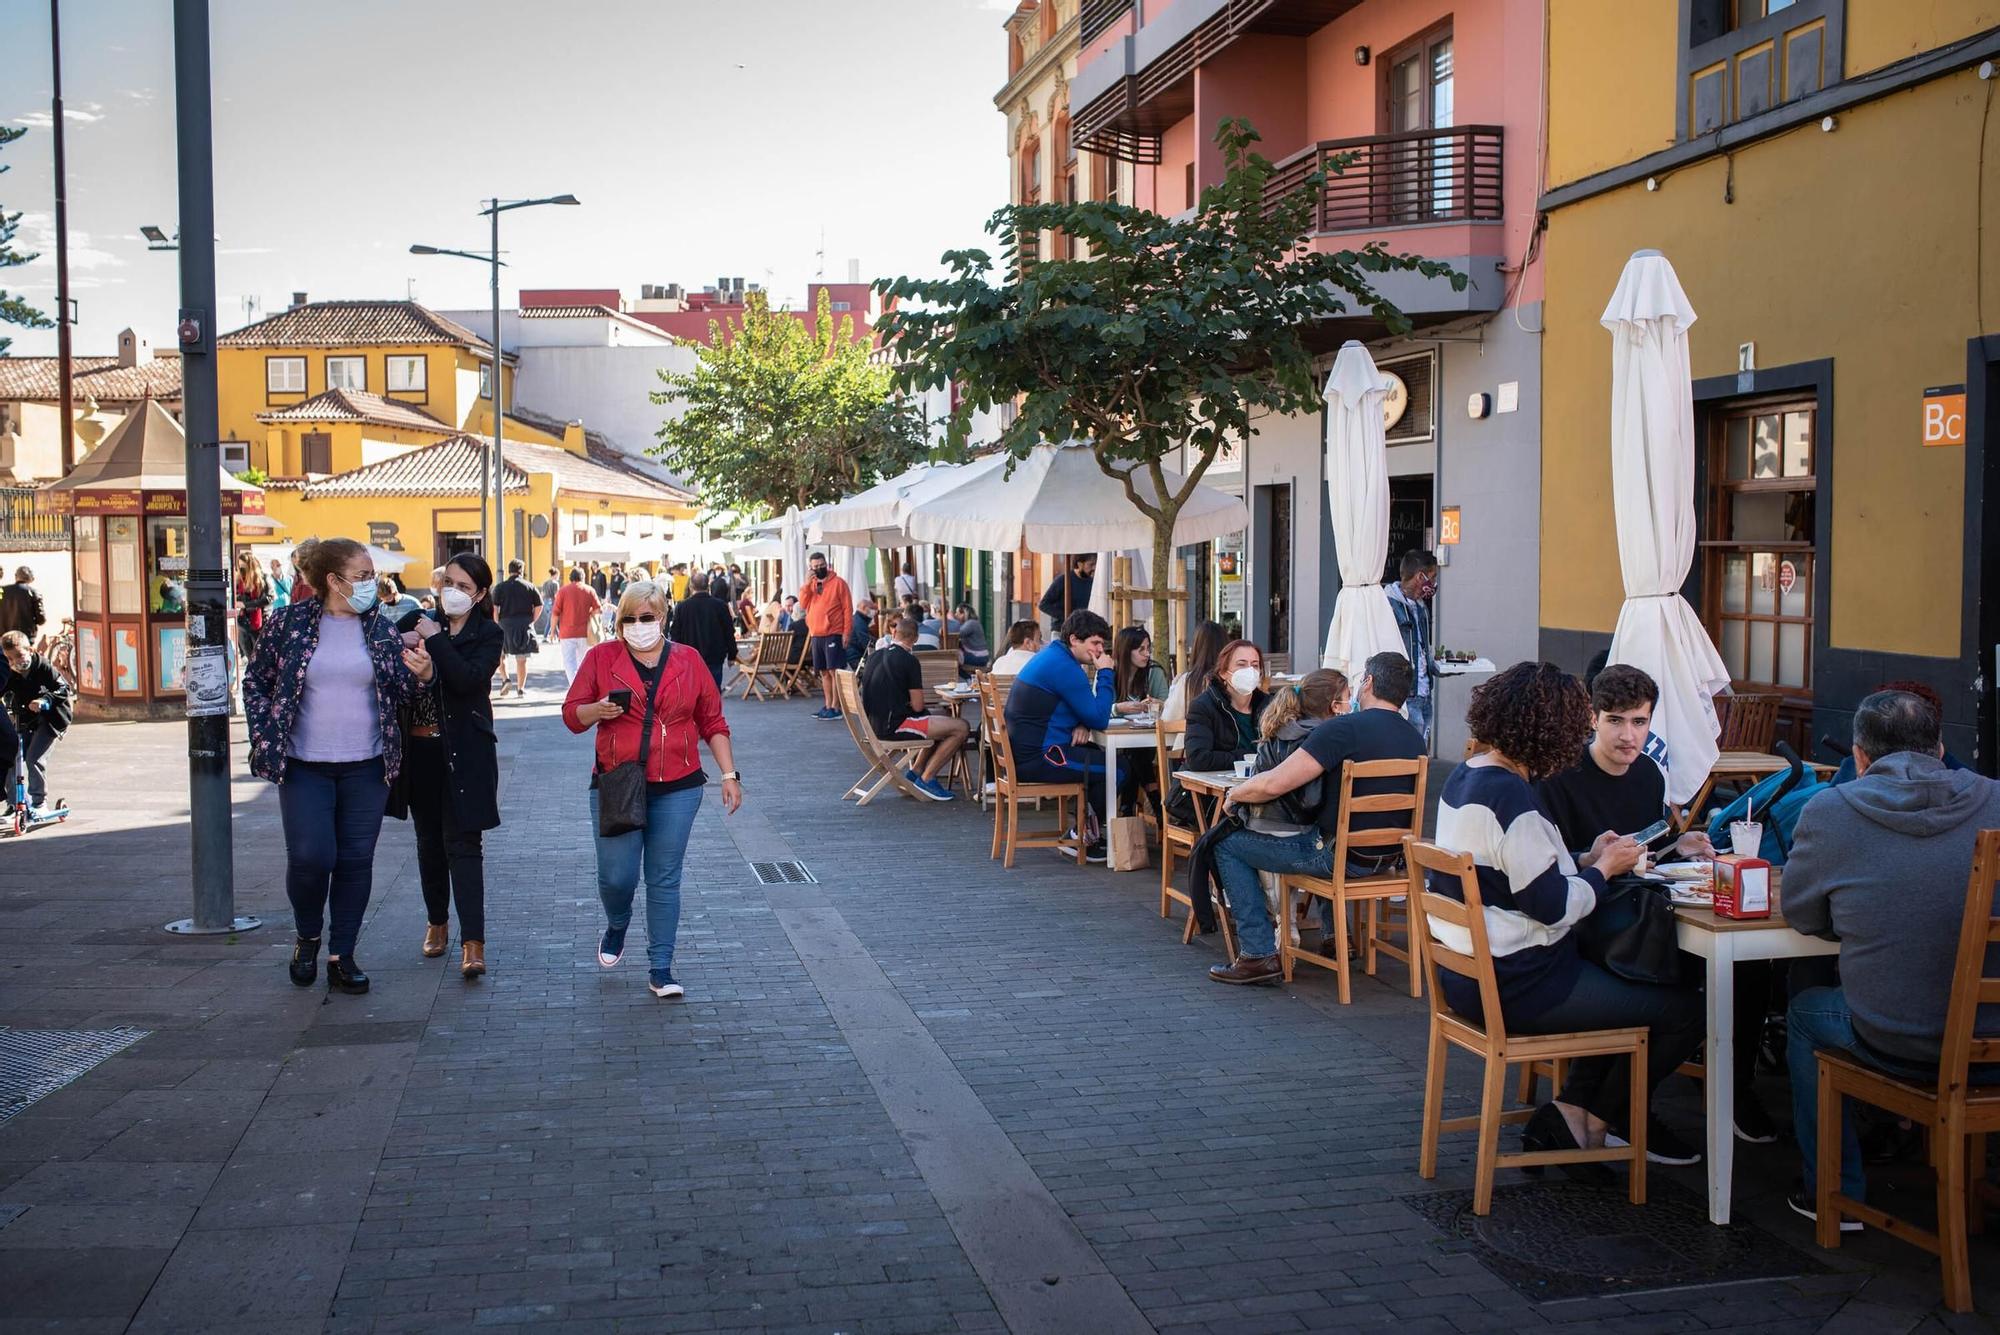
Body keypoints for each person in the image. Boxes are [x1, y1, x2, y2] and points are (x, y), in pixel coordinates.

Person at [1431, 661, 1705, 1170]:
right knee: (1684, 1009)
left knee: (1624, 985)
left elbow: (1515, 870)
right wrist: (1603, 869)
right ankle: (1594, 1121)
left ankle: (1574, 1115)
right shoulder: (1516, 800)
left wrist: (1582, 859)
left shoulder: (1467, 778)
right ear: (1549, 729)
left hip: (1468, 971)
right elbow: (1555, 907)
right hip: (1522, 981)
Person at [1780, 690, 2000, 1227]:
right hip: (1993, 1034)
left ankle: (1833, 1189)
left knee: (1806, 1009)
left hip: (1897, 1038)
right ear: (1940, 747)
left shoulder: (1830, 811)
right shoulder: (1995, 798)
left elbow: (1804, 917)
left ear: (1858, 757)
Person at [1537, 664, 1777, 1143]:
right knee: (1681, 984)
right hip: (1584, 924)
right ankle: (1617, 1110)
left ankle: (1713, 1094)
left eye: (1640, 722)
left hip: (1642, 915)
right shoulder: (1560, 778)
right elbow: (1552, 867)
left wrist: (1679, 845)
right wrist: (1593, 859)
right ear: (1592, 717)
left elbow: (1646, 848)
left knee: (1745, 970)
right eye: (1616, 721)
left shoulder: (1648, 775)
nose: (1630, 736)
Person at [243, 538, 419, 996]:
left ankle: (343, 955)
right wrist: (266, 732)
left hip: (367, 765)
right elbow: (256, 681)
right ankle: (308, 937)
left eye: (372, 575)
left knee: (356, 862)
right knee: (311, 857)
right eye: (362, 576)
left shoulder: (379, 628)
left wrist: (422, 675)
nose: (371, 584)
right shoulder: (287, 623)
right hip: (305, 766)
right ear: (332, 581)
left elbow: (401, 692)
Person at [562, 580, 742, 999]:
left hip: (679, 786)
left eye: (647, 617)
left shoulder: (689, 660)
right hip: (618, 783)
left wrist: (730, 775)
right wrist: (597, 709)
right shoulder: (600, 657)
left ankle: (661, 967)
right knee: (617, 877)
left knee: (664, 878)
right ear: (619, 620)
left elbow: (713, 722)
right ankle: (618, 922)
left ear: (663, 617)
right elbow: (572, 716)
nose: (639, 625)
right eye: (630, 618)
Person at [1206, 658, 1425, 984]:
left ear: (1367, 683)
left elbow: (1274, 783)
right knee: (1318, 833)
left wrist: (1236, 795)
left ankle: (1257, 955)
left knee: (1226, 844)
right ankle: (1332, 937)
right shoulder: (1414, 738)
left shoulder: (1342, 729)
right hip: (1390, 858)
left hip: (1338, 857)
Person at [389, 553, 503, 979]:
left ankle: (473, 943)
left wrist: (433, 648)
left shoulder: (488, 634)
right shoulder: (416, 621)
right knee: (429, 843)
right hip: (420, 753)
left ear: (480, 595)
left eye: (463, 587)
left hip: (465, 752)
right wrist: (409, 652)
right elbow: (382, 650)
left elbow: (466, 681)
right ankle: (437, 921)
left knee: (464, 845)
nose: (452, 592)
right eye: (448, 582)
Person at [1004, 609, 1121, 862]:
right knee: (1119, 769)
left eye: (1102, 644)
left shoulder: (1053, 656)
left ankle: (1088, 832)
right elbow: (1100, 717)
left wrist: (1082, 722)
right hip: (1042, 757)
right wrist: (1106, 672)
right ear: (1075, 640)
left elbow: (1082, 709)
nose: (1100, 651)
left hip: (1029, 753)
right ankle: (1082, 837)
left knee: (1108, 761)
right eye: (1095, 643)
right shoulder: (1066, 668)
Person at [859, 614, 969, 801]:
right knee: (961, 727)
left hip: (873, 724)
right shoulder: (909, 661)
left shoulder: (874, 656)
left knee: (938, 716)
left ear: (894, 633)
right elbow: (918, 706)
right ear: (915, 639)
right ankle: (927, 778)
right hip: (894, 726)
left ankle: (916, 771)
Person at [1, 631, 72, 815]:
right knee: (10, 757)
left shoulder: (44, 667)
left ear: (30, 650)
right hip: (26, 719)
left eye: (19, 656)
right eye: (9, 657)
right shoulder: (10, 673)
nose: (14, 661)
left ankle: (39, 802)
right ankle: (15, 803)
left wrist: (45, 701)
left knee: (34, 758)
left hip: (52, 719)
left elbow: (63, 688)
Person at [1183, 639, 1270, 773]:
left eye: (1255, 665)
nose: (1250, 671)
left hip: (1263, 786)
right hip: (1211, 789)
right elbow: (1198, 759)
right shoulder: (1203, 706)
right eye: (1241, 664)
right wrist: (1248, 757)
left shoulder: (1270, 706)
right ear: (1223, 672)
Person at [1385, 548, 1439, 743]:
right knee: (1410, 752)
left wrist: (1442, 666)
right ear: (1419, 576)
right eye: (1431, 578)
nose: (1433, 584)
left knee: (1422, 752)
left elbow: (1423, 650)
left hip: (1424, 694)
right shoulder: (1388, 606)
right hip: (1406, 695)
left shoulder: (1421, 607)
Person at [798, 551, 854, 722]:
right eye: (815, 567)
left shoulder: (839, 583)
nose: (819, 568)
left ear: (827, 564)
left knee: (834, 671)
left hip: (834, 633)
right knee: (823, 672)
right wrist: (807, 584)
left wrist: (846, 632)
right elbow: (802, 604)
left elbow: (847, 609)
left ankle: (836, 706)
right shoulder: (811, 585)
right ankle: (828, 704)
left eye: (822, 565)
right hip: (816, 633)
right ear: (811, 568)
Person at [670, 570, 739, 687]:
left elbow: (675, 634)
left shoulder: (682, 607)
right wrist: (732, 654)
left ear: (691, 586)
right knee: (713, 692)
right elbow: (728, 631)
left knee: (693, 694)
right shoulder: (720, 605)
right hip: (714, 656)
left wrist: (676, 658)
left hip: (689, 658)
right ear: (708, 585)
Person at [490, 560, 543, 698]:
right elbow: (539, 606)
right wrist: (532, 620)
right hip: (524, 624)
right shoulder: (529, 586)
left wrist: (497, 623)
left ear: (509, 570)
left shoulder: (500, 587)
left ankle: (505, 679)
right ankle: (520, 689)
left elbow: (494, 608)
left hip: (505, 624)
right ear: (522, 570)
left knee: (500, 655)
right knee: (521, 659)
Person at [1161, 620, 1229, 727]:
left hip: (1187, 742)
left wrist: (1173, 688)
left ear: (1196, 646)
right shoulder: (1231, 679)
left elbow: (1168, 719)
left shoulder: (1188, 680)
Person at [552, 568, 601, 684]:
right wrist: (590, 614)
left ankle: (574, 686)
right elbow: (598, 609)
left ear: (570, 578)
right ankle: (582, 687)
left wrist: (553, 631)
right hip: (584, 633)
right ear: (583, 577)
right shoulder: (589, 590)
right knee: (582, 662)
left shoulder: (563, 591)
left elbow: (555, 613)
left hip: (566, 633)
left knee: (569, 663)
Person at [1111, 626, 1169, 710]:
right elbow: (1097, 711)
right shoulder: (1107, 672)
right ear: (1126, 651)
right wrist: (1117, 709)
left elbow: (1168, 708)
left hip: (1147, 723)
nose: (1147, 654)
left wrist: (1160, 705)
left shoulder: (1154, 671)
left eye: (1148, 648)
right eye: (1141, 649)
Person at [234, 552, 272, 668]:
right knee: (250, 659)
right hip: (243, 623)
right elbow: (236, 598)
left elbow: (269, 598)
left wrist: (246, 604)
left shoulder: (263, 578)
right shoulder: (238, 580)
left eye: (244, 567)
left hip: (260, 622)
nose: (241, 570)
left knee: (261, 658)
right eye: (240, 566)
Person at [1038, 554, 1097, 625]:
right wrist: (1067, 616)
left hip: (1083, 630)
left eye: (1095, 564)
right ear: (1080, 564)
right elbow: (1043, 605)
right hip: (1061, 630)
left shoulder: (1093, 582)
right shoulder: (1063, 580)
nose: (1094, 568)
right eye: (1091, 565)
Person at [0, 567, 45, 643]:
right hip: (25, 637)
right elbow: (41, 619)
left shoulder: (3, 590)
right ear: (31, 578)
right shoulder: (34, 592)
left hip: (5, 637)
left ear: (16, 576)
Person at [954, 604, 990, 673]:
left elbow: (958, 634)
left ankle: (967, 679)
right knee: (955, 654)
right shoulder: (973, 623)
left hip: (979, 658)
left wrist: (951, 620)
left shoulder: (971, 623)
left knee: (953, 657)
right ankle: (967, 678)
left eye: (957, 613)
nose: (955, 615)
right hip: (980, 656)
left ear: (963, 614)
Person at [847, 598, 877, 669]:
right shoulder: (860, 623)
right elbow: (866, 643)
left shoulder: (856, 619)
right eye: (872, 608)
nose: (874, 612)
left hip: (851, 656)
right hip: (856, 659)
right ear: (864, 608)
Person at [536, 567, 560, 639]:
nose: (558, 577)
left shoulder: (545, 583)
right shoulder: (555, 584)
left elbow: (542, 594)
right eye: (558, 575)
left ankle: (558, 636)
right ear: (555, 575)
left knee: (551, 620)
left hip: (545, 602)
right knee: (551, 621)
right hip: (552, 602)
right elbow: (556, 595)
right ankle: (545, 636)